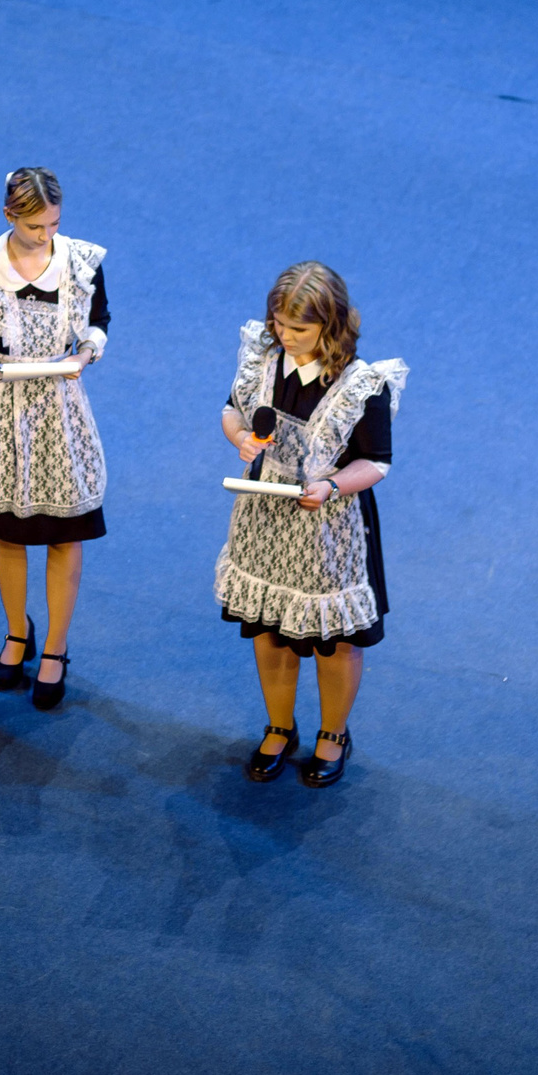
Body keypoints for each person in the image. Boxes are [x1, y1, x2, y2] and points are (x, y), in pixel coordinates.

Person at [214, 261, 406, 786]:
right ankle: (279, 726)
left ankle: (333, 734)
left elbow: (378, 462)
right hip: (264, 517)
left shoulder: (361, 384)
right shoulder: (263, 361)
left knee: (333, 639)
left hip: (329, 528)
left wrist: (332, 485)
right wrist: (240, 440)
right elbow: (232, 410)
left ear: (331, 324)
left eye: (299, 329)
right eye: (279, 324)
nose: (285, 336)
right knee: (270, 631)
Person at [0, 168, 109, 711]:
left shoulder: (81, 262)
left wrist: (82, 357)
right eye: (35, 225)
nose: (46, 235)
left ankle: (57, 648)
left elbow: (98, 323)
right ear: (9, 216)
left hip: (59, 415)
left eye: (54, 223)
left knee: (65, 535)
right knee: (6, 532)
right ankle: (18, 632)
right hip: (0, 415)